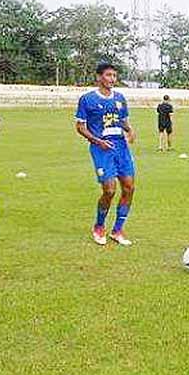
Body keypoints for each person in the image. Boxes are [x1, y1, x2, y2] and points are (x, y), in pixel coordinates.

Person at [75, 63, 137, 246]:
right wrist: (97, 141)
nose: (112, 79)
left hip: (121, 148)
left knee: (129, 188)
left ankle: (118, 230)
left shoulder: (120, 98)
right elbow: (80, 127)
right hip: (102, 149)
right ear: (99, 77)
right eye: (108, 75)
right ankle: (99, 227)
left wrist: (130, 130)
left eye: (114, 76)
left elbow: (123, 120)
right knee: (109, 190)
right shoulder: (87, 99)